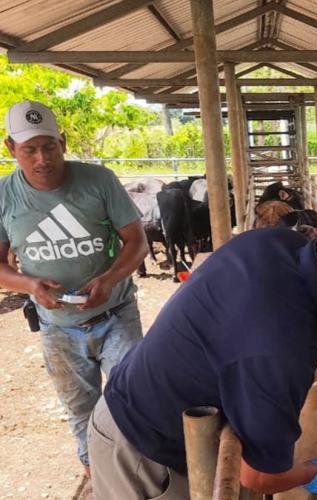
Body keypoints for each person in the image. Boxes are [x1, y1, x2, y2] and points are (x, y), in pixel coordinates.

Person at [87, 228, 317, 498]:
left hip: (146, 401)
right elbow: (258, 476)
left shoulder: (283, 243)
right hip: (140, 451)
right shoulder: (280, 353)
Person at [0, 100, 148, 474]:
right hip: (56, 325)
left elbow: (137, 242)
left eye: (48, 146)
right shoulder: (4, 195)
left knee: (132, 399)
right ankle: (96, 474)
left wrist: (108, 279)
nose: (41, 159)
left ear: (62, 142)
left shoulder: (99, 180)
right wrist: (28, 284)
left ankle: (140, 472)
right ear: (10, 148)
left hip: (116, 313)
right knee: (81, 409)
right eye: (29, 149)